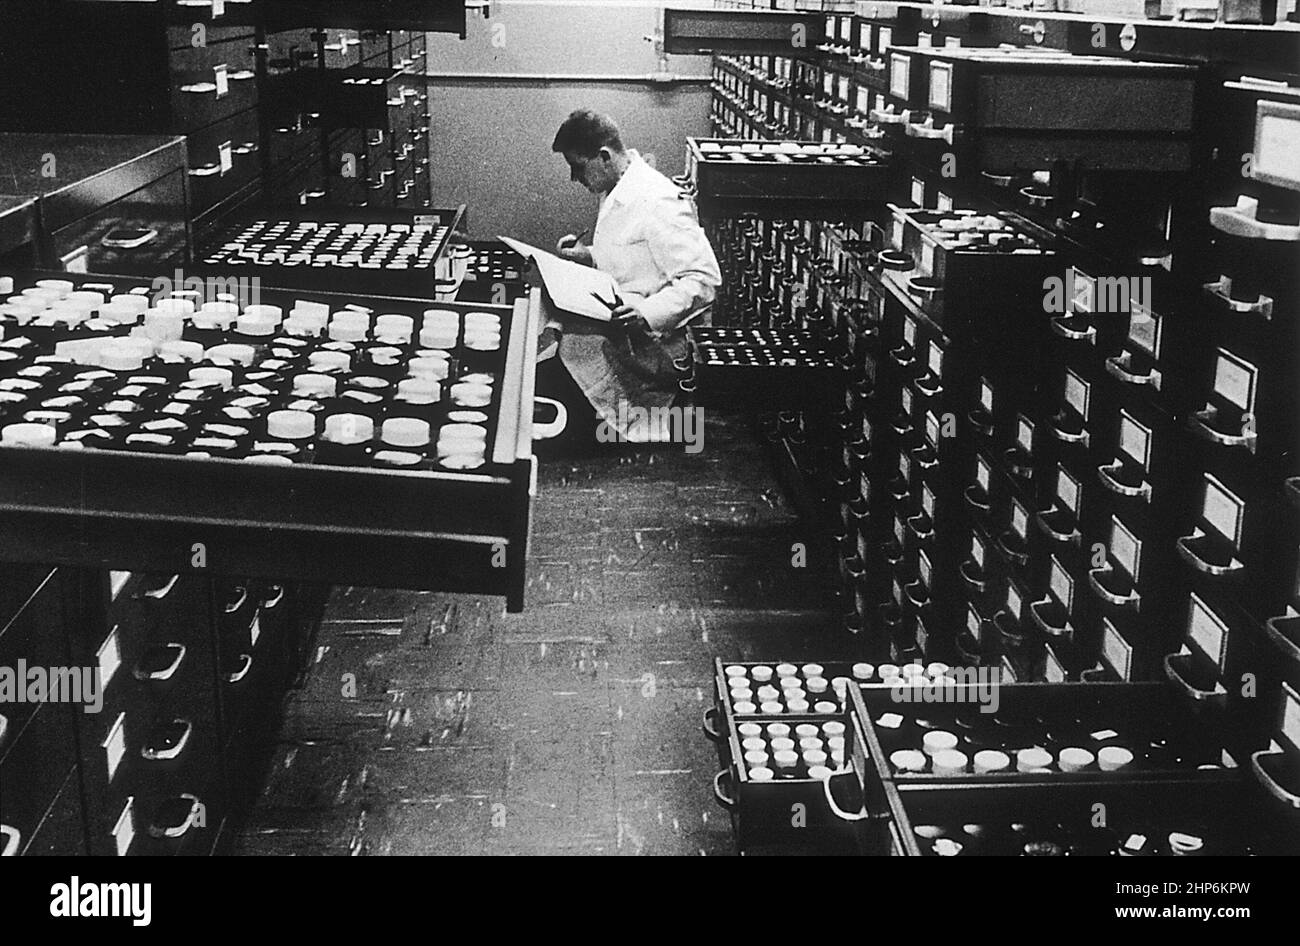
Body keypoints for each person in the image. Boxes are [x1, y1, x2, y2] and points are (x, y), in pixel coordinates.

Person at [536, 109, 721, 450]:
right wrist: (587, 256)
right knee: (551, 328)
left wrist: (647, 314)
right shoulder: (620, 185)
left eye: (577, 166)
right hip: (624, 319)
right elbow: (635, 257)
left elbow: (703, 279)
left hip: (655, 341)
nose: (574, 178)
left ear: (604, 157)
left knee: (570, 352)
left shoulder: (658, 199)